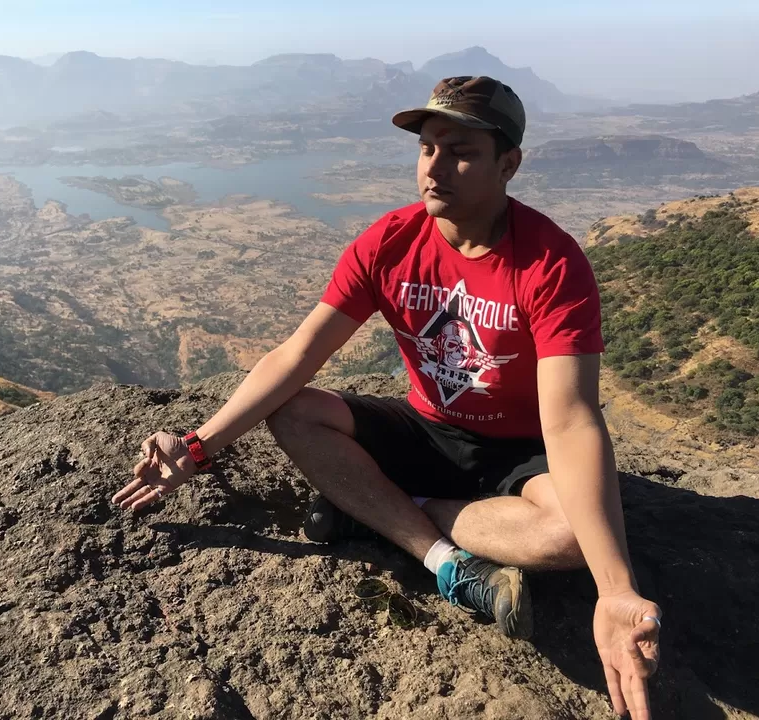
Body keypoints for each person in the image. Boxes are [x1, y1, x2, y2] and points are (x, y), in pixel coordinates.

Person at [112, 76, 662, 720]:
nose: (436, 167)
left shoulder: (550, 263)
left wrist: (615, 588)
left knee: (571, 536)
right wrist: (197, 445)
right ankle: (443, 561)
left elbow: (570, 420)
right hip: (424, 428)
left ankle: (380, 510)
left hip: (516, 450)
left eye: (461, 152)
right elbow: (296, 356)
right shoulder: (391, 241)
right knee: (294, 410)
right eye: (428, 148)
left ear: (508, 164)